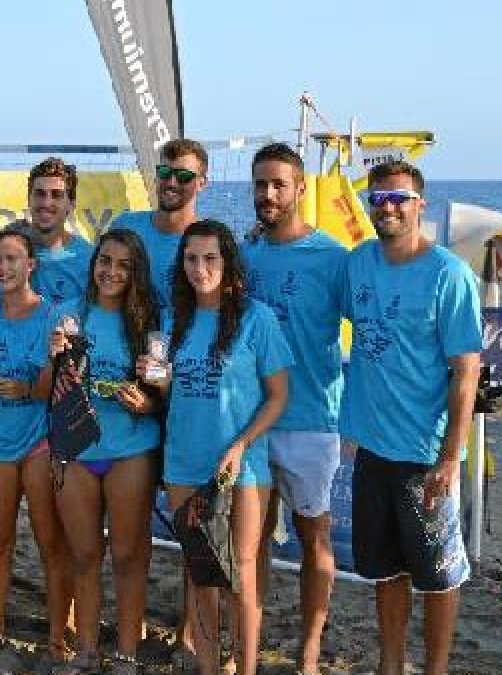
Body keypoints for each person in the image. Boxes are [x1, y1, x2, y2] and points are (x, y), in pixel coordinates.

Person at [341, 161, 481, 675]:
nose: (388, 208)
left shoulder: (449, 274)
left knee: (440, 574)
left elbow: (466, 370)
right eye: (377, 199)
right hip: (372, 450)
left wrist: (450, 458)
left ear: (420, 203)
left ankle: (436, 669)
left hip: (426, 455)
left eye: (398, 198)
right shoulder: (357, 264)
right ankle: (391, 664)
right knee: (385, 570)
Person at [142, 219, 292, 675]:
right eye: (191, 258)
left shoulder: (256, 318)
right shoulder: (171, 321)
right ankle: (208, 666)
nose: (200, 268)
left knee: (242, 574)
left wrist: (241, 445)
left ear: (227, 263)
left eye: (210, 258)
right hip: (184, 460)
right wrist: (158, 382)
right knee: (201, 572)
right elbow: (168, 393)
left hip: (240, 465)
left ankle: (244, 667)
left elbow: (279, 395)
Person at [242, 142, 348, 675]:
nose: (268, 193)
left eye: (279, 184)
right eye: (260, 183)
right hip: (252, 422)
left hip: (310, 421)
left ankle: (308, 651)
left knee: (315, 540)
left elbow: (373, 324)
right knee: (251, 541)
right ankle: (250, 646)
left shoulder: (332, 258)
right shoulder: (245, 254)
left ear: (301, 189)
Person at [42, 228, 162, 674]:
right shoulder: (69, 316)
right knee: (84, 554)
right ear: (92, 266)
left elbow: (163, 391)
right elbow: (44, 389)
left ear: (136, 273)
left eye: (123, 265)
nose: (112, 272)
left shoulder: (151, 322)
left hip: (132, 448)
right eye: (104, 261)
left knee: (129, 556)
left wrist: (147, 402)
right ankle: (88, 650)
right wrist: (54, 360)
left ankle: (128, 650)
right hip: (77, 449)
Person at [0, 229, 71, 661]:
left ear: (31, 265)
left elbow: (59, 386)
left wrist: (26, 388)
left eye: (12, 259)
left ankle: (58, 637)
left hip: (41, 439)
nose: (3, 268)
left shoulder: (53, 317)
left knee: (50, 541)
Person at [0, 157, 94, 313]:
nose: (46, 203)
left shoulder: (90, 259)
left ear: (71, 204)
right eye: (40, 194)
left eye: (56, 195)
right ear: (29, 199)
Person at [109, 139, 210, 308]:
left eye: (183, 176)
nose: (171, 182)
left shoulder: (209, 242)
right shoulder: (124, 226)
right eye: (164, 172)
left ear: (201, 184)